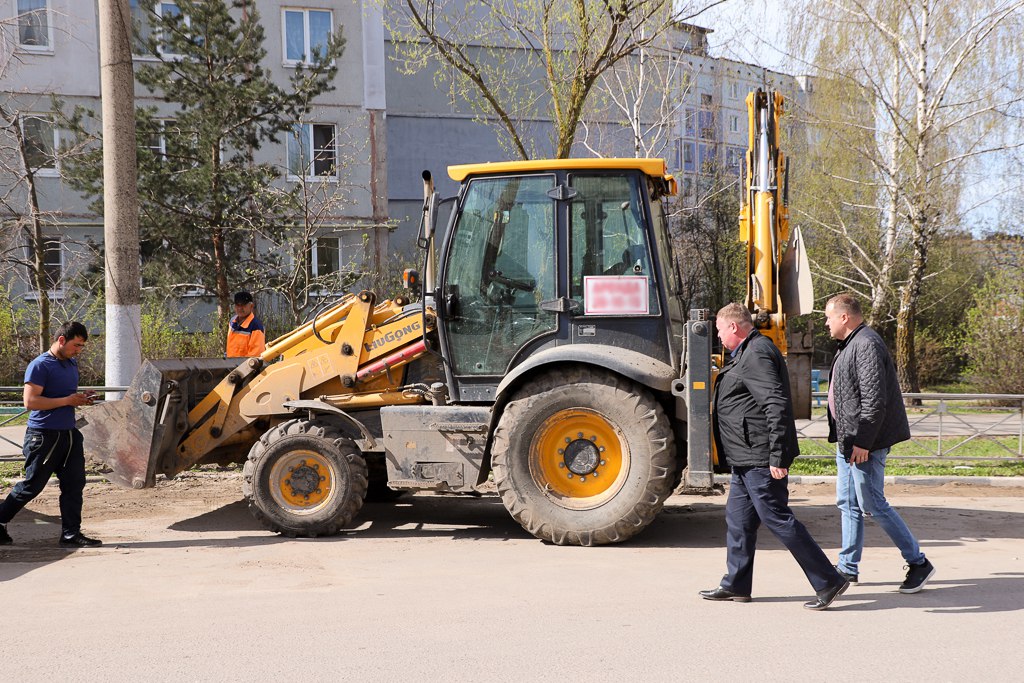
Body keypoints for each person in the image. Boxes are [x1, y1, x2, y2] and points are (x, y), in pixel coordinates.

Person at [700, 303, 849, 610]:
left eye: (719, 329)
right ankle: (736, 584)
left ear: (734, 328)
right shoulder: (745, 352)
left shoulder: (756, 353)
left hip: (760, 455)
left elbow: (776, 405)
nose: (717, 334)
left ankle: (829, 580)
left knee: (776, 518)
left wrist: (777, 456)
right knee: (738, 521)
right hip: (745, 456)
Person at [824, 293, 935, 593]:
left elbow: (874, 402)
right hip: (849, 442)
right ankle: (847, 568)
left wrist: (863, 442)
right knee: (847, 503)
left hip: (864, 444)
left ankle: (919, 563)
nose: (826, 323)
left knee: (872, 503)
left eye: (828, 317)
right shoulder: (850, 344)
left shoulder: (866, 344)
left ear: (844, 317)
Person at [0, 322, 101, 548]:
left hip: (69, 434)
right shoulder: (40, 365)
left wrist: (81, 397)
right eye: (76, 345)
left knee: (75, 484)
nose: (79, 350)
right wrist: (67, 400)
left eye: (82, 346)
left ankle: (70, 534)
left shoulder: (71, 363)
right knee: (32, 486)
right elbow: (30, 402)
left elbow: (63, 396)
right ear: (62, 340)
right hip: (44, 436)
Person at [227, 290, 266, 358]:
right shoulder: (232, 322)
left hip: (246, 367)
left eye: (243, 305)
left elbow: (255, 355)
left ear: (251, 306)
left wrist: (242, 368)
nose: (239, 308)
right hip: (230, 365)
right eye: (237, 305)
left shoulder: (255, 326)